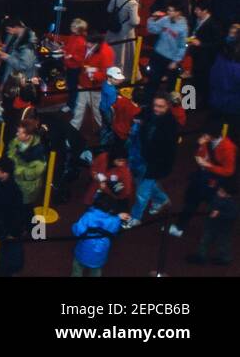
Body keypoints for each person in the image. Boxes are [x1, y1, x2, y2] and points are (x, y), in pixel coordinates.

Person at [168, 125, 237, 238]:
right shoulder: (206, 142)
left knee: (214, 206)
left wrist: (208, 165)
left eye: (205, 135)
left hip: (214, 181)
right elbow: (199, 155)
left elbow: (229, 171)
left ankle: (219, 231)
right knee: (191, 201)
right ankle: (180, 227)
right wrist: (200, 147)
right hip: (202, 177)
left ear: (212, 136)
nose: (202, 137)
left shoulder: (228, 148)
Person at [128, 94, 180, 226]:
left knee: (142, 192)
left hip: (155, 164)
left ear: (168, 106)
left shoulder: (172, 125)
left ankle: (135, 217)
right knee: (145, 184)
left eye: (160, 106)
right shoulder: (149, 112)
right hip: (141, 157)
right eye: (155, 105)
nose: (156, 109)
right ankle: (161, 200)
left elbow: (167, 152)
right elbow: (139, 115)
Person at [72, 193, 129, 276]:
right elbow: (114, 231)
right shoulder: (114, 220)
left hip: (84, 249)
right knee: (96, 269)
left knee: (77, 267)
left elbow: (77, 231)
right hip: (101, 250)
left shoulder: (88, 216)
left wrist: (73, 226)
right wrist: (118, 217)